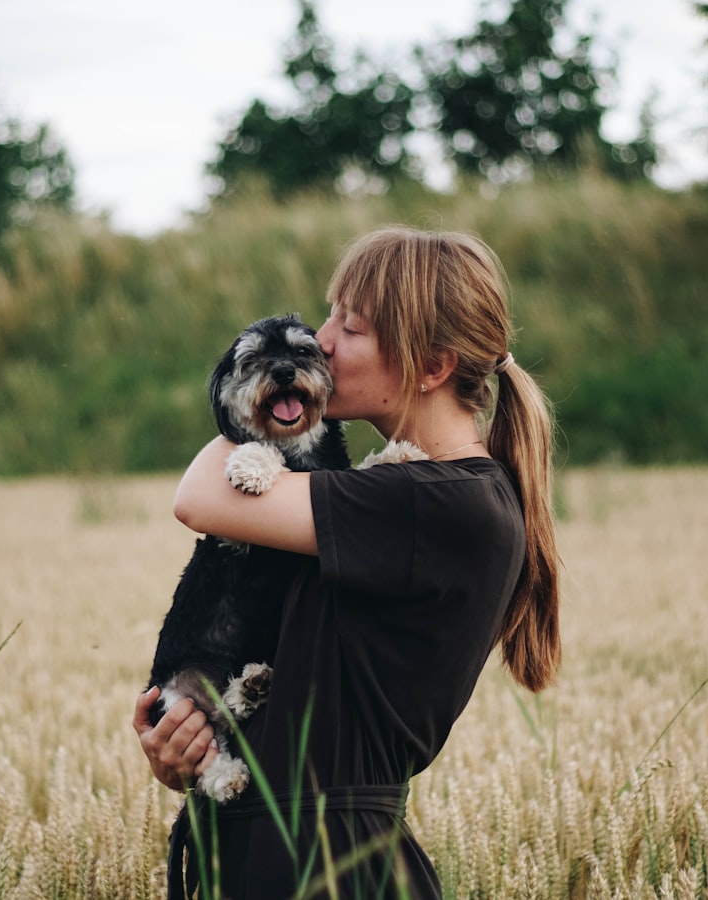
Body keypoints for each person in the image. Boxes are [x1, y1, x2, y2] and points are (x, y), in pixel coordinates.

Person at [132, 226, 562, 899]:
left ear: (432, 366)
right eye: (328, 318)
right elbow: (301, 679)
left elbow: (198, 496)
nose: (321, 343)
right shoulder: (408, 495)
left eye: (350, 326)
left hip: (325, 869)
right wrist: (188, 749)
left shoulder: (433, 500)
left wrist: (252, 391)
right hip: (284, 849)